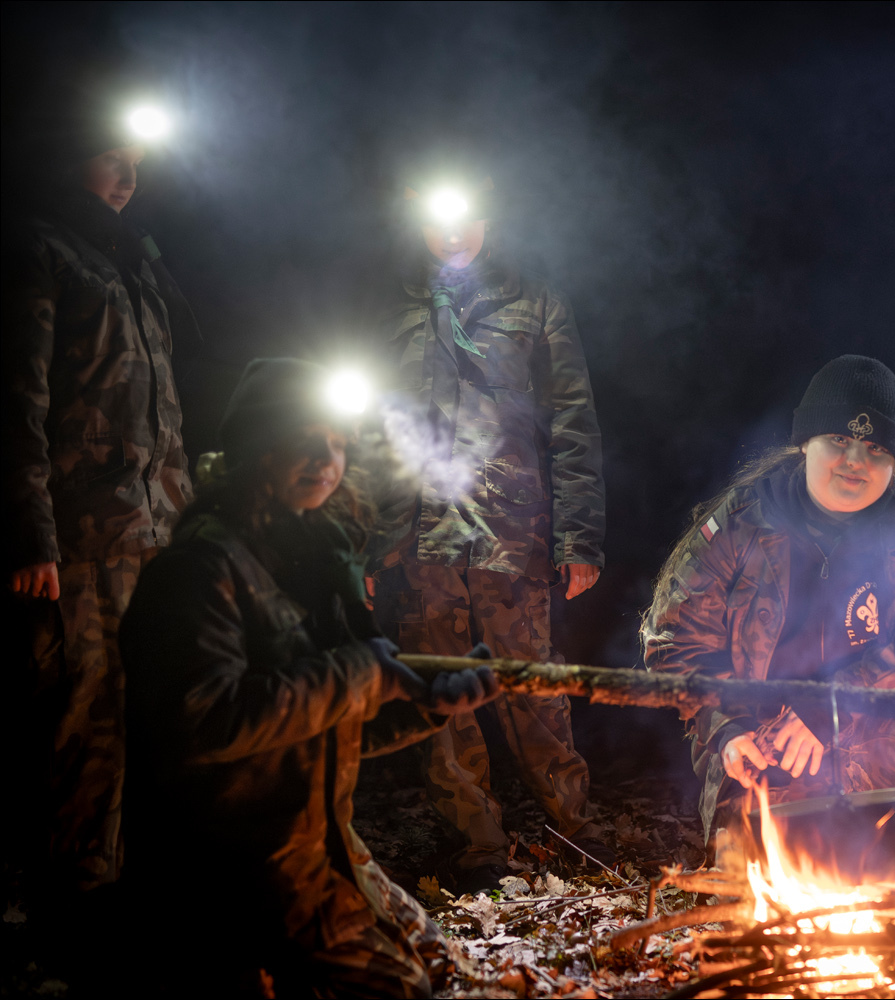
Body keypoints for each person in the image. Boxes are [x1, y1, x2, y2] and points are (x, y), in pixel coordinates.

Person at [120, 358, 501, 997]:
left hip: (317, 845)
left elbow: (327, 728)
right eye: (305, 440)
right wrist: (360, 672)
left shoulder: (316, 559)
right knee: (400, 989)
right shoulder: (198, 571)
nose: (327, 460)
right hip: (230, 868)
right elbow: (204, 723)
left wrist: (427, 706)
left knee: (441, 968)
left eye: (338, 443)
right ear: (257, 448)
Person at [643, 355, 895, 847]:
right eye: (838, 439)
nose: (855, 460)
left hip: (879, 723)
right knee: (764, 861)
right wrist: (727, 728)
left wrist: (829, 707)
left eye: (875, 447)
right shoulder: (743, 519)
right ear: (805, 442)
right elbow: (675, 641)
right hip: (769, 735)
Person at [372, 171, 609, 887]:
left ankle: (574, 827)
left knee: (533, 688)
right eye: (437, 217)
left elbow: (574, 425)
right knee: (440, 696)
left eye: (467, 216)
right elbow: (368, 433)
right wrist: (366, 545)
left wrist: (579, 538)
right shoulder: (393, 308)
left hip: (512, 532)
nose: (452, 231)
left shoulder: (535, 303)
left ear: (490, 218)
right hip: (419, 538)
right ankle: (479, 845)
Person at [2, 91, 198, 891]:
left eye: (137, 164)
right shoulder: (38, 249)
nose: (128, 176)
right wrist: (30, 533)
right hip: (80, 534)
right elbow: (17, 400)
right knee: (86, 716)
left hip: (155, 531)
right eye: (112, 159)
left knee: (154, 708)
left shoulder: (134, 263)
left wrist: (189, 522)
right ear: (70, 159)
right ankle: (76, 894)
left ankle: (135, 883)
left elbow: (166, 410)